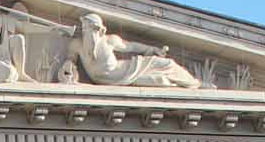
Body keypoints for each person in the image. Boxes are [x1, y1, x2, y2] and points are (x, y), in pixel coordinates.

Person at [60, 12, 202, 88]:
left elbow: (131, 46)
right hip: (112, 79)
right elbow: (70, 60)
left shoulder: (109, 40)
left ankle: (195, 83)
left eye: (90, 27)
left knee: (166, 67)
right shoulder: (77, 44)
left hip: (128, 70)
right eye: (85, 27)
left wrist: (152, 49)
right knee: (159, 80)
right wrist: (68, 67)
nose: (87, 31)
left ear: (99, 30)